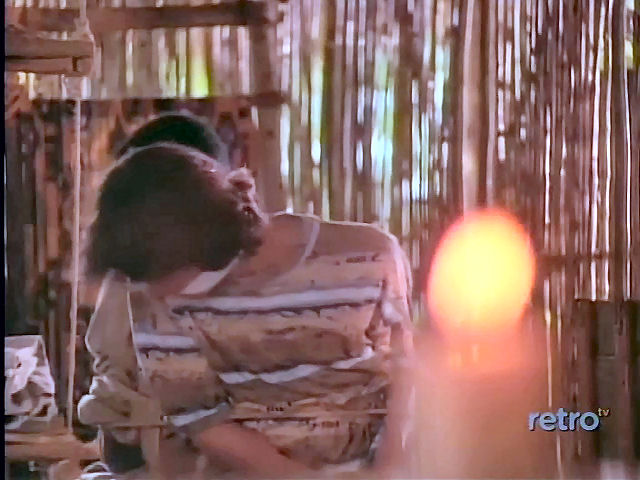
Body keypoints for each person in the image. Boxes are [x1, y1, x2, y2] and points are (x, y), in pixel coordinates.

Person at [78, 114, 414, 479]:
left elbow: (403, 379)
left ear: (210, 243)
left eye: (164, 279)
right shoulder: (151, 295)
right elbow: (206, 422)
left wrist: (388, 471)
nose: (152, 291)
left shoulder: (369, 259)